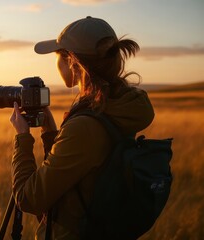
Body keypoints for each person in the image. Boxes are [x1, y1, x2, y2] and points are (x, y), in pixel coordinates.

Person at [9, 16, 155, 239]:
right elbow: (80, 175)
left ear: (71, 61)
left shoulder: (86, 125)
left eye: (58, 55)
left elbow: (29, 199)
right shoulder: (114, 109)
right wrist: (50, 134)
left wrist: (22, 137)